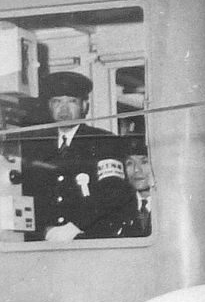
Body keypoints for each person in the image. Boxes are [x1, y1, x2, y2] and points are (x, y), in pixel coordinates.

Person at [21, 71, 135, 241]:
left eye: (72, 102)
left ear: (84, 106)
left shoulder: (103, 141)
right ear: (49, 106)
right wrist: (43, 231)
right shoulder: (35, 146)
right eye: (57, 101)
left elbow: (112, 192)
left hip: (88, 239)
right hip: (44, 242)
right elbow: (28, 194)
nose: (64, 109)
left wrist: (74, 226)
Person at [121, 135, 153, 237]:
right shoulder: (119, 209)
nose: (136, 169)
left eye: (144, 162)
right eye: (129, 163)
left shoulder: (172, 206)